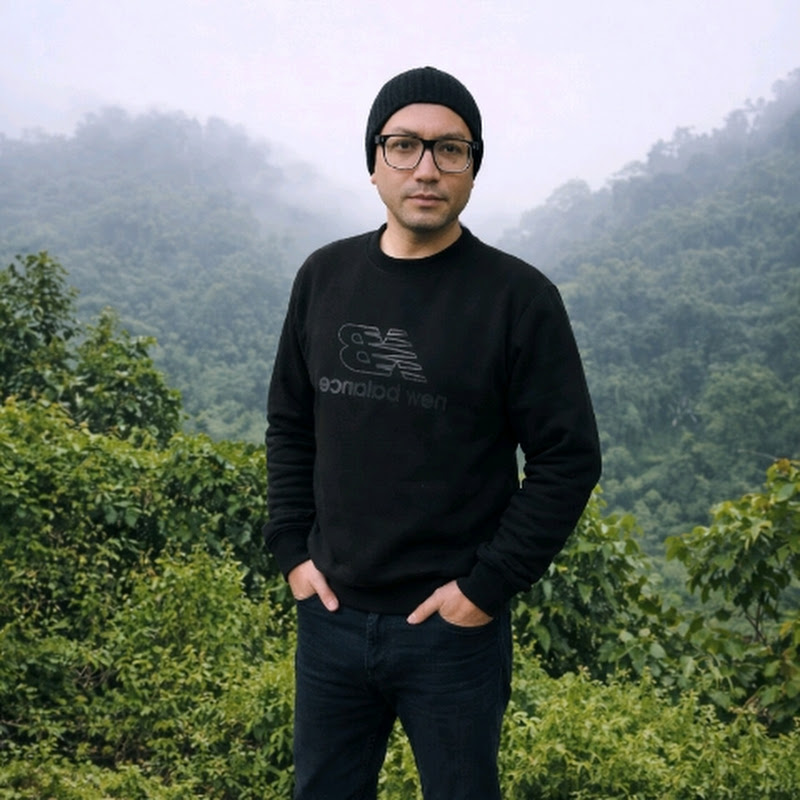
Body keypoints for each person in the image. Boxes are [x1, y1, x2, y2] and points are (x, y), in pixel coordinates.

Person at [264, 65, 601, 800]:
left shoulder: (517, 298)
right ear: (374, 161)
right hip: (331, 617)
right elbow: (291, 422)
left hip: (451, 633)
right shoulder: (324, 277)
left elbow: (567, 459)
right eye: (404, 145)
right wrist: (292, 551)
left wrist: (483, 590)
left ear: (473, 167)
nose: (426, 168)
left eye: (450, 149)